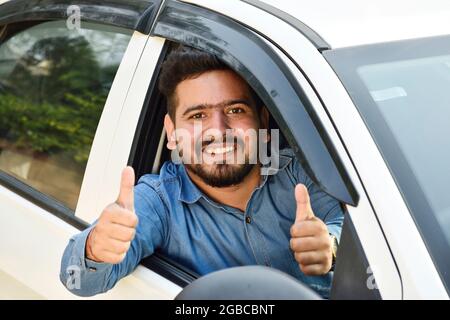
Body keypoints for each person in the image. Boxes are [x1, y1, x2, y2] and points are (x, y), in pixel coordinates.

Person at [60, 44, 344, 298]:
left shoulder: (299, 172)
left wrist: (330, 246)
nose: (219, 131)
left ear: (263, 122)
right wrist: (96, 248)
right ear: (171, 133)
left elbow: (359, 231)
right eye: (198, 116)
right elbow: (77, 281)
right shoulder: (159, 203)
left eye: (235, 110)